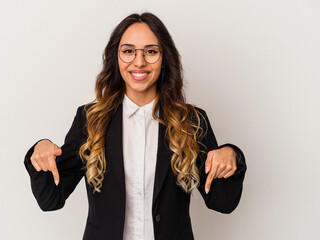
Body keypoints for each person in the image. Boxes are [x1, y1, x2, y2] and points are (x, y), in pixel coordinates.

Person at [24, 12, 247, 240]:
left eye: (150, 51)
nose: (139, 62)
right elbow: (51, 199)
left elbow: (223, 202)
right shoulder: (90, 119)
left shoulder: (191, 121)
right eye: (128, 51)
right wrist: (39, 151)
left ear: (164, 58)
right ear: (116, 58)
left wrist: (232, 155)